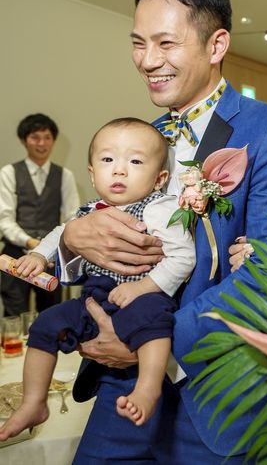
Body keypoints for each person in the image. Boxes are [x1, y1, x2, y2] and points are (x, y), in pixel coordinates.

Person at [58, 0, 267, 463]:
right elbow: (105, 245)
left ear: (216, 46)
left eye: (166, 43)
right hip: (119, 388)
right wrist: (71, 240)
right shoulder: (138, 139)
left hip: (213, 392)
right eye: (138, 43)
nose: (147, 60)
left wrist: (150, 342)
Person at [0, 118, 196, 442]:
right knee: (45, 324)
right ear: (92, 174)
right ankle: (34, 401)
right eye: (107, 160)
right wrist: (39, 256)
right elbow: (60, 233)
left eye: (135, 162)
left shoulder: (159, 209)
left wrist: (144, 286)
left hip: (144, 293)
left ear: (160, 178)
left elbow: (184, 256)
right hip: (96, 296)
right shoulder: (88, 210)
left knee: (154, 325)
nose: (119, 170)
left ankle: (147, 389)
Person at [0, 113, 80, 316]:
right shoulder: (9, 172)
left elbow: (73, 217)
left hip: (51, 256)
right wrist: (30, 242)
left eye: (47, 137)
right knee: (14, 313)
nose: (42, 143)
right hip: (15, 255)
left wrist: (49, 246)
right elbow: (5, 219)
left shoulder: (65, 176)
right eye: (35, 137)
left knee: (51, 314)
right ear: (24, 140)